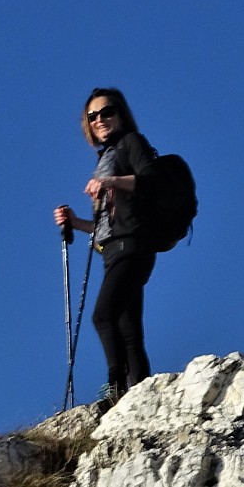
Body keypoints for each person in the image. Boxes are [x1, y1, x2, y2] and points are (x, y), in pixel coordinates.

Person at [53, 87, 158, 409]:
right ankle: (139, 394)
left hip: (133, 245)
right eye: (92, 116)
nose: (100, 119)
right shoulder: (106, 156)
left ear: (121, 113)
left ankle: (116, 387)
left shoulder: (131, 144)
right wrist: (77, 222)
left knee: (103, 316)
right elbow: (109, 223)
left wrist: (110, 182)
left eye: (107, 112)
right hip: (114, 249)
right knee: (128, 329)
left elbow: (153, 181)